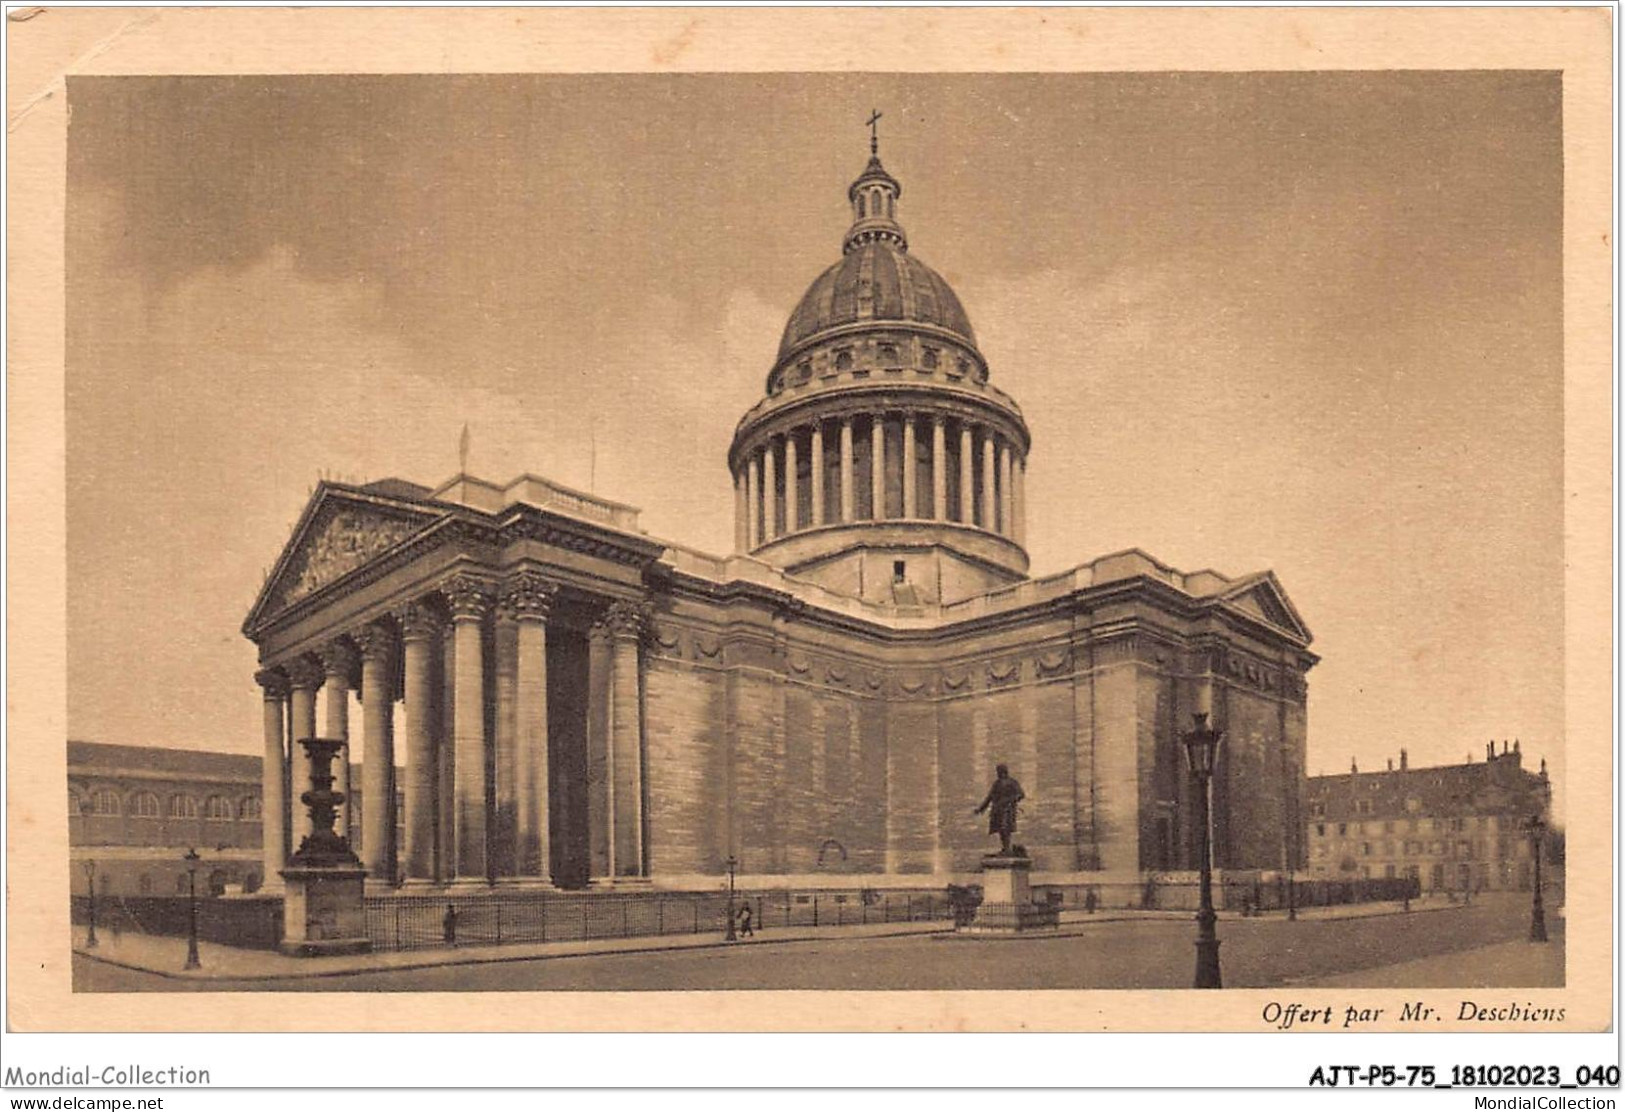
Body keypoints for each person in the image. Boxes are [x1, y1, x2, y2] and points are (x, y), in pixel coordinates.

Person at [973, 763, 1026, 856]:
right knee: (1001, 830)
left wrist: (1009, 800)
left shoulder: (1012, 782)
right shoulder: (997, 783)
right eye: (998, 771)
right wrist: (981, 809)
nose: (998, 773)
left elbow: (1021, 794)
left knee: (1006, 828)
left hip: (1008, 810)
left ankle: (1007, 849)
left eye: (999, 771)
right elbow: (989, 797)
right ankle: (1005, 848)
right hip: (997, 810)